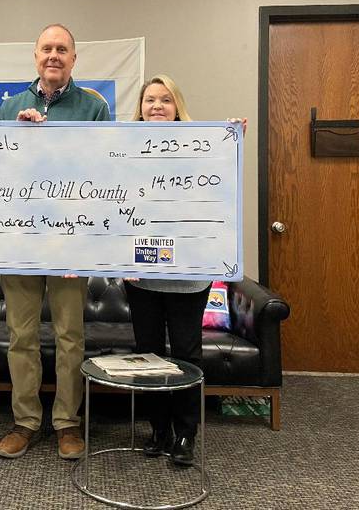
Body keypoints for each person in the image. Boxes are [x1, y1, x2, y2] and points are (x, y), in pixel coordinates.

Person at [0, 24, 110, 460]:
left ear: (74, 59)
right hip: (21, 239)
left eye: (62, 49)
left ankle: (66, 424)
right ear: (36, 56)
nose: (54, 55)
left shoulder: (93, 107)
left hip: (69, 242)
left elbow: (104, 171)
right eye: (47, 48)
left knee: (70, 336)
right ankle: (25, 422)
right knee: (20, 336)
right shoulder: (11, 106)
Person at [125, 74, 245, 466]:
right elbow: (111, 205)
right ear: (140, 109)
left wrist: (234, 139)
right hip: (141, 276)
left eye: (165, 100)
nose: (156, 106)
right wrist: (115, 259)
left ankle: (185, 434)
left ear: (177, 107)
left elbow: (219, 194)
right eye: (149, 101)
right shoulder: (122, 150)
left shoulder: (202, 149)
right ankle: (158, 430)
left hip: (188, 277)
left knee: (187, 354)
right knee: (148, 355)